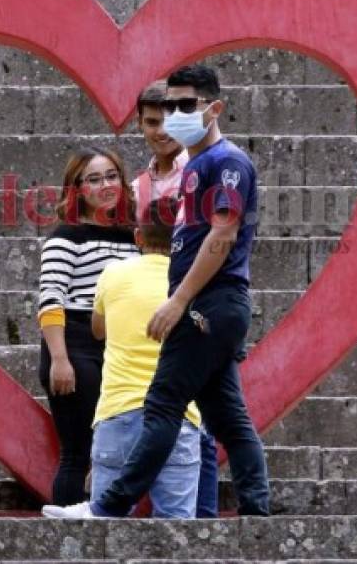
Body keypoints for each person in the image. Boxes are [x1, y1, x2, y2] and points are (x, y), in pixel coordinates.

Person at [42, 64, 270, 519]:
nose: (174, 117)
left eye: (187, 106)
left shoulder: (226, 163)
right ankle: (256, 513)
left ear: (214, 108)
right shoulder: (197, 167)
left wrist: (180, 299)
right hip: (211, 305)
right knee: (228, 417)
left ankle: (108, 506)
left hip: (208, 304)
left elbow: (222, 234)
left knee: (164, 403)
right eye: (168, 107)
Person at [132, 80, 220, 518]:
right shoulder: (137, 187)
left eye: (169, 119)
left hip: (195, 303)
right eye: (151, 122)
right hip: (152, 303)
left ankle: (201, 523)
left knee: (200, 421)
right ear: (140, 124)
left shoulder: (203, 168)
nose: (160, 130)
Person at [37, 147, 139, 505]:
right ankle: (67, 538)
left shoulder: (135, 238)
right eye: (94, 179)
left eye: (112, 176)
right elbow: (51, 300)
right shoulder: (66, 236)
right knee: (79, 452)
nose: (106, 185)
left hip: (119, 348)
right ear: (77, 188)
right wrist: (59, 359)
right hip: (75, 344)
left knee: (114, 451)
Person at [88, 198, 202, 517]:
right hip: (178, 416)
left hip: (119, 411)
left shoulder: (113, 275)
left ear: (138, 236)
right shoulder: (195, 284)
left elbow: (98, 329)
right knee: (177, 529)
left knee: (104, 529)